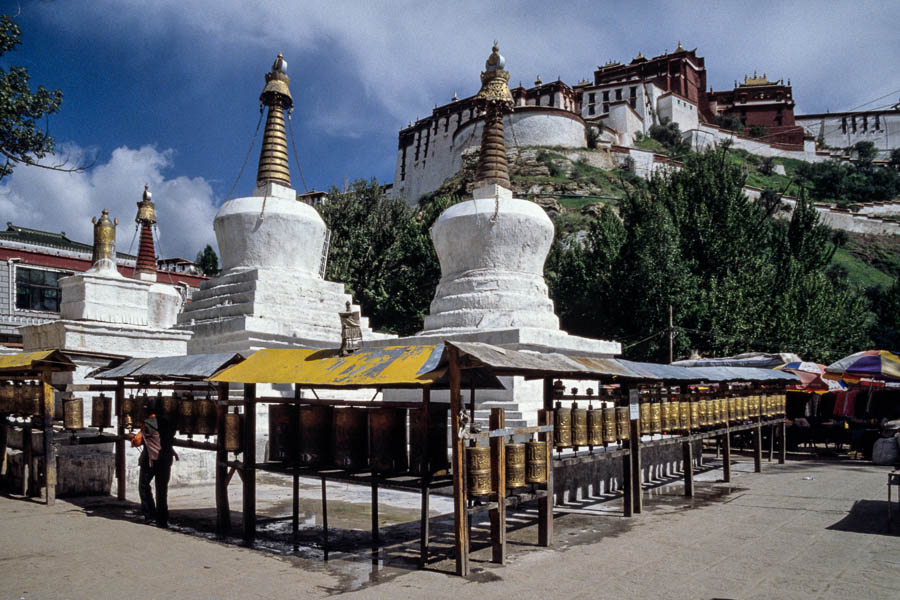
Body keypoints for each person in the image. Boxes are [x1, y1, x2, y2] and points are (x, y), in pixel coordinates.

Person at [131, 397, 176, 527]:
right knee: (162, 490)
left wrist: (134, 436)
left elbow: (138, 441)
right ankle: (162, 519)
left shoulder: (149, 422)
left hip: (150, 459)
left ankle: (149, 514)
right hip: (166, 458)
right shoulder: (170, 422)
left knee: (144, 486)